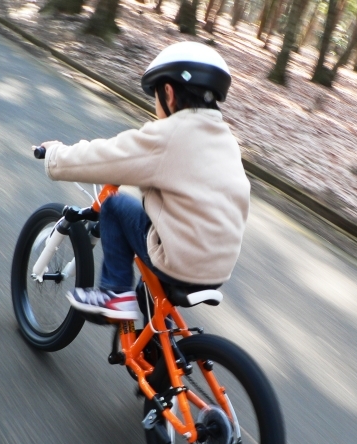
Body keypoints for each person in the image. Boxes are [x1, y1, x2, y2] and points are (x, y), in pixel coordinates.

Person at [38, 41, 250, 320]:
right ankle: (162, 355)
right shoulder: (227, 141)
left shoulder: (170, 134)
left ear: (169, 93)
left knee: (115, 206)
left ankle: (114, 294)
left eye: (156, 97)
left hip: (178, 261)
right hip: (218, 267)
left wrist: (54, 154)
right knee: (147, 289)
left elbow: (105, 157)